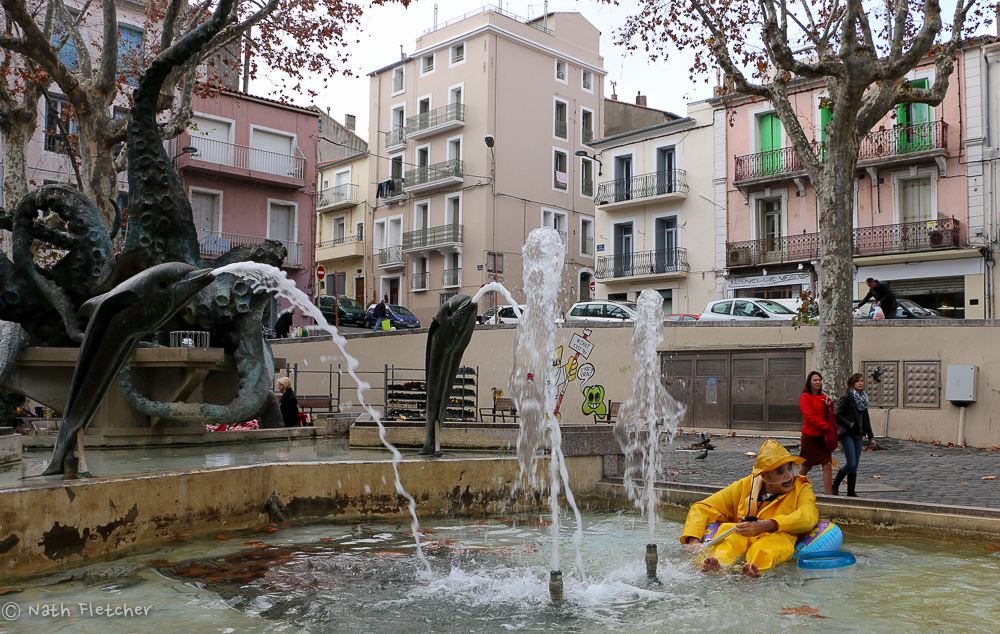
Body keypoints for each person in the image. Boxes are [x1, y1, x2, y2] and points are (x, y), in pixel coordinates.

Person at [680, 438, 818, 578]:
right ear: (765, 476)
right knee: (730, 539)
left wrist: (767, 525)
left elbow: (808, 516)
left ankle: (753, 572)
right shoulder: (746, 485)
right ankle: (717, 567)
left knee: (765, 548)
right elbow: (703, 507)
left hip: (779, 535)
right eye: (780, 471)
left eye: (790, 468)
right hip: (743, 534)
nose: (789, 476)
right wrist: (694, 540)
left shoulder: (802, 487)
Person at [833, 373, 877, 496]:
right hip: (847, 434)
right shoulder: (847, 397)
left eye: (862, 381)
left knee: (855, 465)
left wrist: (871, 436)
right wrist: (850, 424)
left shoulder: (863, 398)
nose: (860, 383)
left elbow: (866, 418)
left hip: (859, 435)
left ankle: (851, 491)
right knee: (851, 463)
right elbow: (837, 415)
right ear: (852, 383)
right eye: (858, 381)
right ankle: (835, 484)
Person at [799, 370, 834, 495]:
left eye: (819, 380)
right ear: (809, 382)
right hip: (810, 437)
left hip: (822, 438)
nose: (818, 382)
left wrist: (829, 406)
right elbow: (809, 417)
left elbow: (828, 415)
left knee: (827, 465)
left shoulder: (823, 397)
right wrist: (825, 426)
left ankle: (829, 496)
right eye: (815, 380)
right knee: (806, 467)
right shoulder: (805, 397)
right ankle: (788, 486)